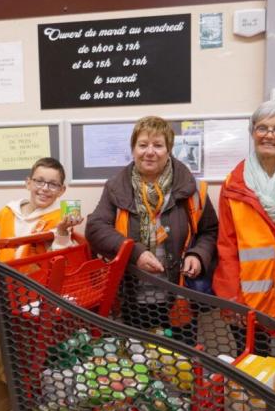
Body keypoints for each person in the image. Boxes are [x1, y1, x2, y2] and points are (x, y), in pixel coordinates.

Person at [86, 116, 218, 334]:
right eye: (143, 144)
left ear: (169, 150)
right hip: (131, 298)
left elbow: (209, 231)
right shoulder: (115, 187)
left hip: (179, 298)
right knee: (137, 363)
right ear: (133, 149)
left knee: (180, 362)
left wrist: (197, 255)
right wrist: (135, 253)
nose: (150, 151)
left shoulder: (191, 187)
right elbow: (96, 228)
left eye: (158, 145)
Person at [212, 100, 275, 324]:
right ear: (253, 132)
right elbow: (227, 247)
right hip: (248, 303)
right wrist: (231, 299)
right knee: (252, 359)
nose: (269, 135)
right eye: (262, 128)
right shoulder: (234, 183)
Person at [0, 157, 83, 260]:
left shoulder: (61, 218)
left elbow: (61, 261)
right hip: (2, 274)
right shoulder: (6, 212)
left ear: (61, 190)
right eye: (39, 181)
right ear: (28, 183)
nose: (45, 188)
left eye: (53, 184)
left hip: (36, 276)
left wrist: (62, 232)